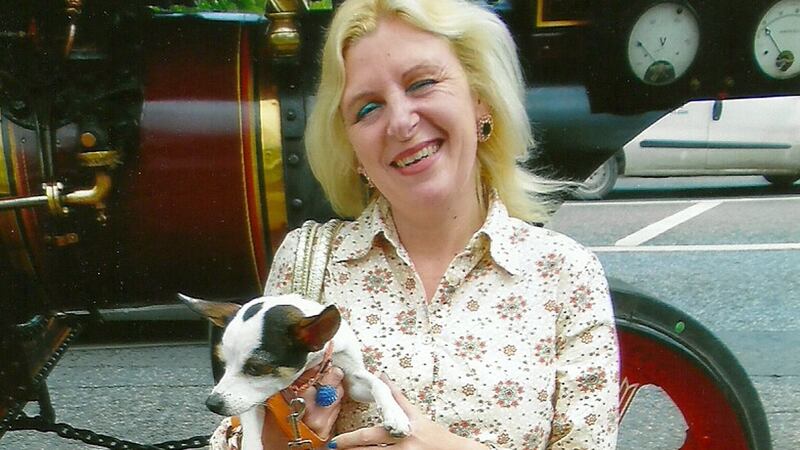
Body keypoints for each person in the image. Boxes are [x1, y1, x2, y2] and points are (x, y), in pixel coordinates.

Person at [211, 0, 619, 448]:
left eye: (422, 83)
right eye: (367, 109)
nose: (401, 123)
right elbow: (234, 435)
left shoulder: (565, 274)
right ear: (353, 149)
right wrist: (282, 436)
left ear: (479, 99)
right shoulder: (310, 261)